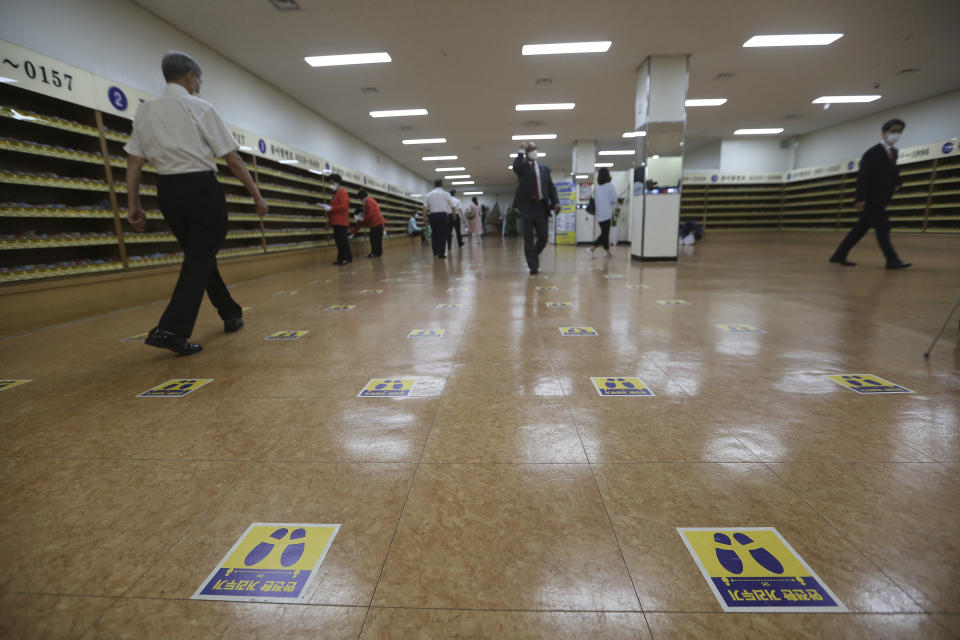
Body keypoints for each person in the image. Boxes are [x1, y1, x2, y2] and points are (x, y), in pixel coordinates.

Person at [125, 51, 268, 356]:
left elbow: (135, 159)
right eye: (199, 78)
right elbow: (231, 156)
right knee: (199, 257)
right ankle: (172, 330)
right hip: (200, 189)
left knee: (199, 256)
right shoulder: (199, 107)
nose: (200, 84)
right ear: (191, 75)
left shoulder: (145, 110)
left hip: (167, 191)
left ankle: (230, 312)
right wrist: (256, 195)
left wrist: (133, 203)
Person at [829, 119, 911, 269]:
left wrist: (898, 182)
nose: (896, 134)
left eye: (899, 131)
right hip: (872, 199)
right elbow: (863, 177)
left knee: (859, 229)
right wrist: (860, 198)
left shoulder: (894, 152)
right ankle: (892, 259)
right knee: (883, 228)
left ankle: (838, 255)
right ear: (884, 133)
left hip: (882, 198)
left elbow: (892, 171)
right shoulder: (872, 153)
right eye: (893, 131)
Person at [513, 141, 560, 275]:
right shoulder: (523, 168)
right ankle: (533, 266)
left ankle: (532, 255)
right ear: (526, 153)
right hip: (527, 207)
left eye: (535, 149)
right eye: (530, 150)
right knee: (528, 239)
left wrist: (556, 202)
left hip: (541, 207)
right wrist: (521, 151)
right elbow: (516, 167)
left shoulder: (544, 169)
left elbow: (551, 187)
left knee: (543, 237)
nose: (534, 152)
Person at [320, 174, 351, 265]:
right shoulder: (335, 194)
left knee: (342, 241)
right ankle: (341, 258)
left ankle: (346, 258)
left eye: (332, 183)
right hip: (336, 221)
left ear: (338, 183)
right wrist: (328, 207)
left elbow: (344, 206)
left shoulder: (343, 192)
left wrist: (331, 208)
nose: (331, 185)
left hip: (341, 221)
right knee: (339, 241)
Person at [586, 167, 617, 258]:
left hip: (599, 214)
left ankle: (608, 252)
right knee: (604, 234)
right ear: (608, 175)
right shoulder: (610, 186)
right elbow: (614, 199)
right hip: (607, 213)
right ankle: (591, 249)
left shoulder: (596, 187)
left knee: (605, 233)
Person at [423, 179, 456, 259]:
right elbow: (453, 206)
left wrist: (424, 218)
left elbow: (424, 207)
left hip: (433, 216)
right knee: (443, 235)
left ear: (434, 185)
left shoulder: (429, 194)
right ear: (442, 185)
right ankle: (441, 253)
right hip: (443, 216)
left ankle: (435, 252)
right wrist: (454, 216)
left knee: (434, 234)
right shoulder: (446, 194)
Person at [355, 188, 385, 258]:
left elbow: (370, 214)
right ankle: (378, 252)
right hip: (378, 223)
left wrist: (364, 220)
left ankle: (374, 253)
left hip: (375, 223)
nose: (360, 200)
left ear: (362, 197)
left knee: (374, 238)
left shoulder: (368, 202)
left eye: (360, 198)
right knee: (377, 239)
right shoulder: (371, 200)